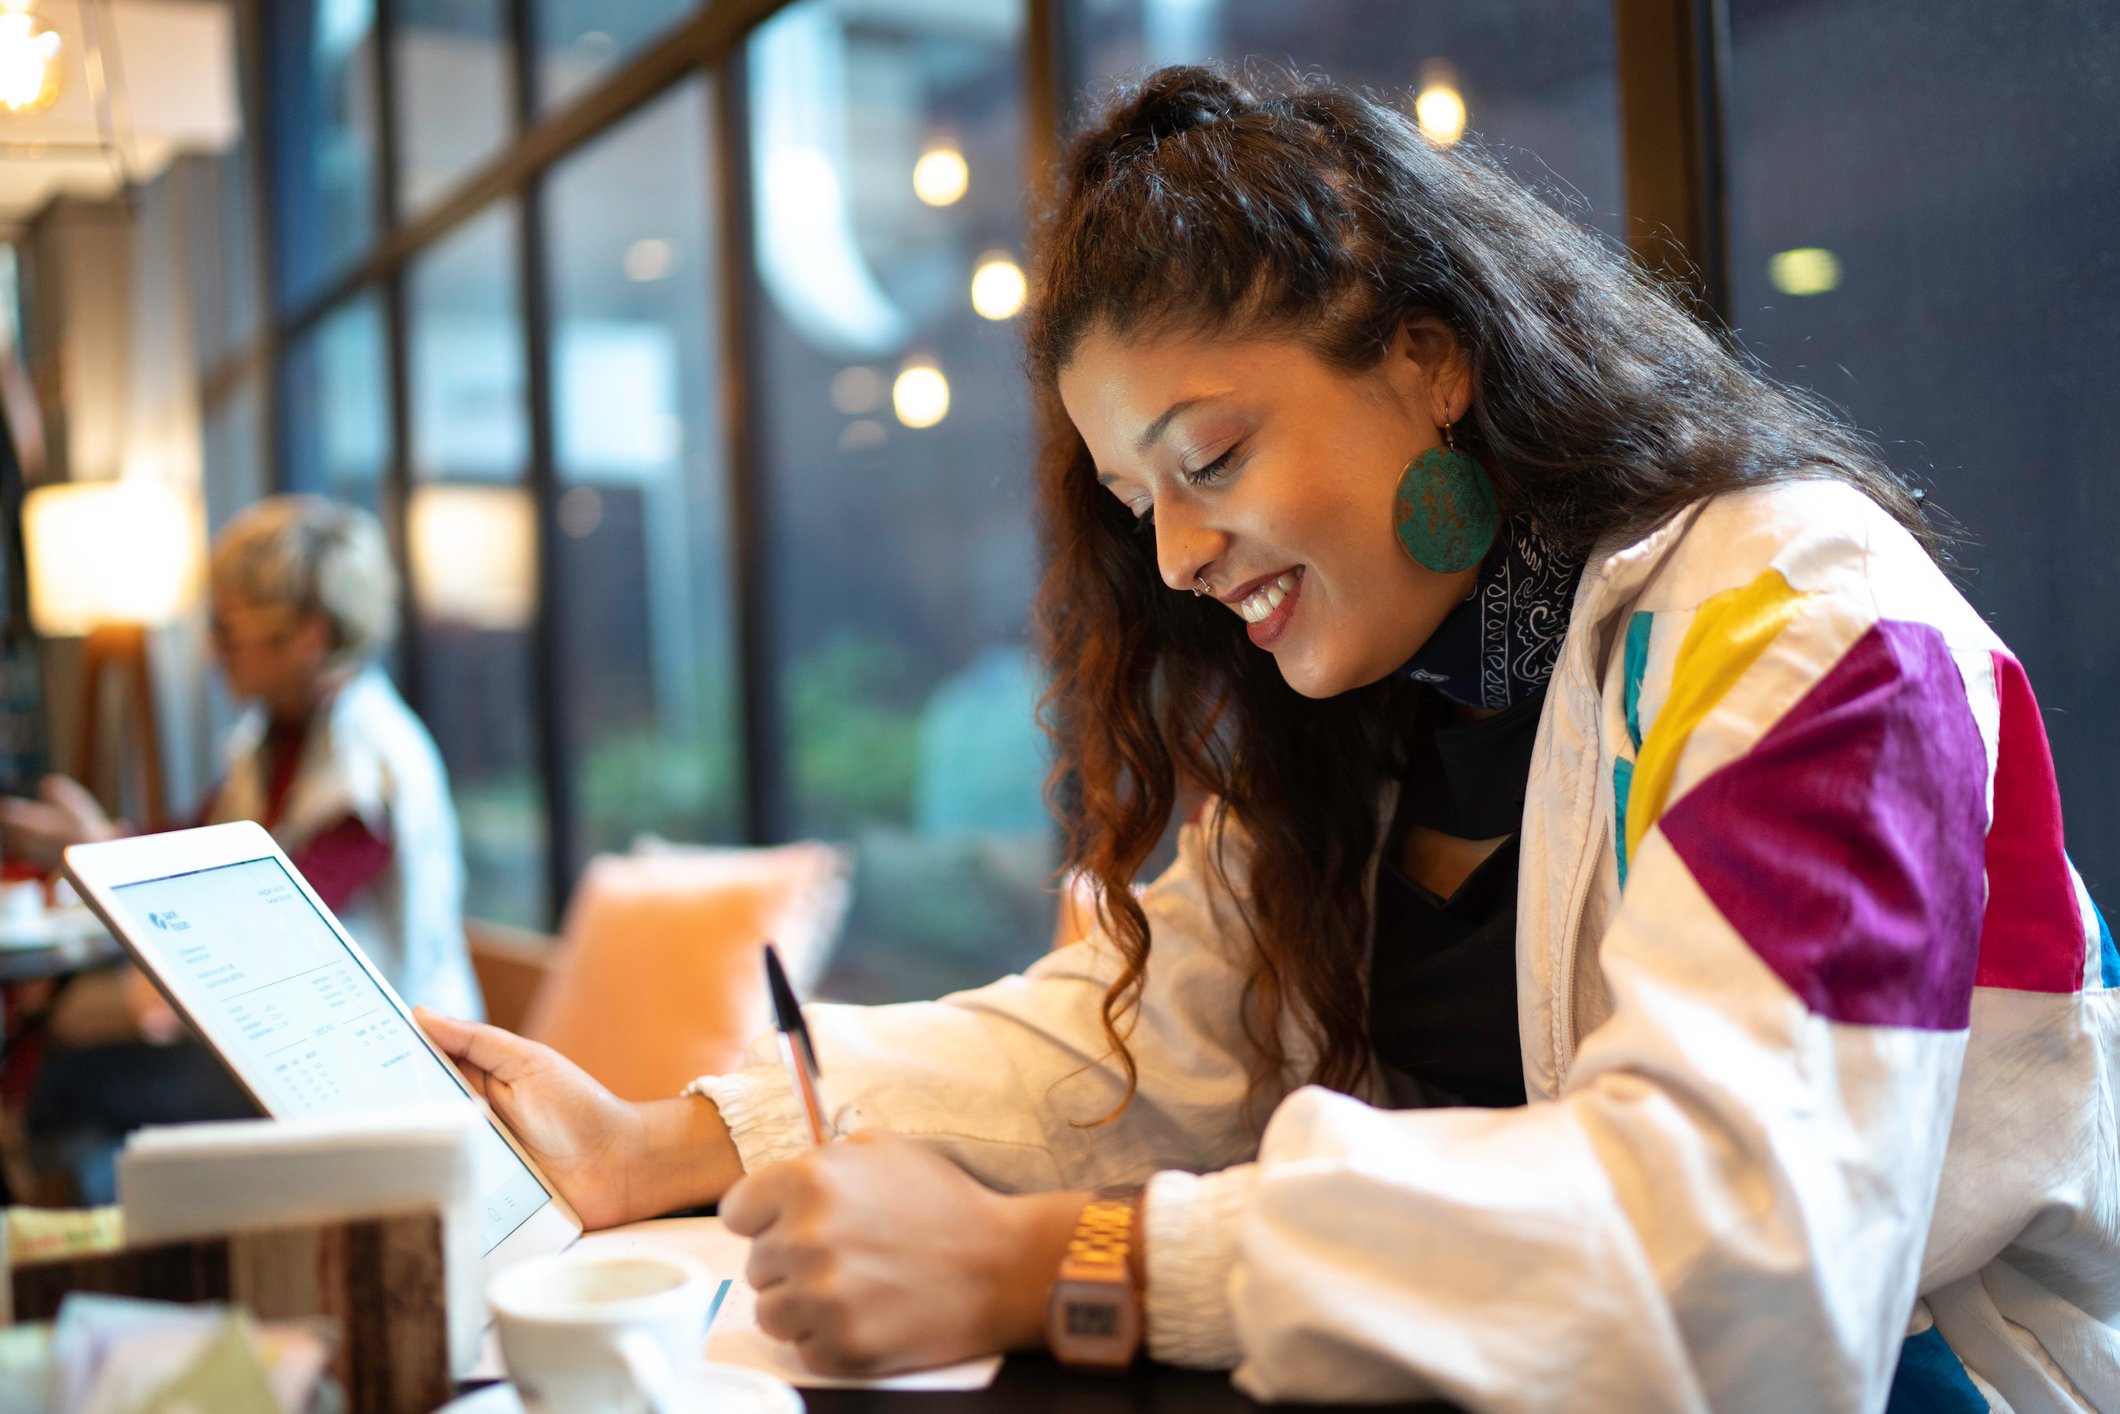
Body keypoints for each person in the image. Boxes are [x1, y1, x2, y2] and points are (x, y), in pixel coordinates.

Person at [417, 68, 2117, 1410]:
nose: (1172, 554)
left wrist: (1062, 1263)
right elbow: (1147, 1036)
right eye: (1135, 500)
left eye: (1211, 458)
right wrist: (663, 1139)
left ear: (1432, 359)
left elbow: (1746, 1256)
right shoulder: (1393, 700)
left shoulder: (1803, 619)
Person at [6, 496, 480, 1197]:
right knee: (72, 1072)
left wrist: (101, 853)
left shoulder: (367, 761)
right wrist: (96, 845)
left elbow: (278, 921)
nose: (210, 651)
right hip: (305, 1049)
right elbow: (198, 837)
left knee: (69, 1088)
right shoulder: (276, 738)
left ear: (309, 636)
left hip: (371, 1075)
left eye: (227, 633)